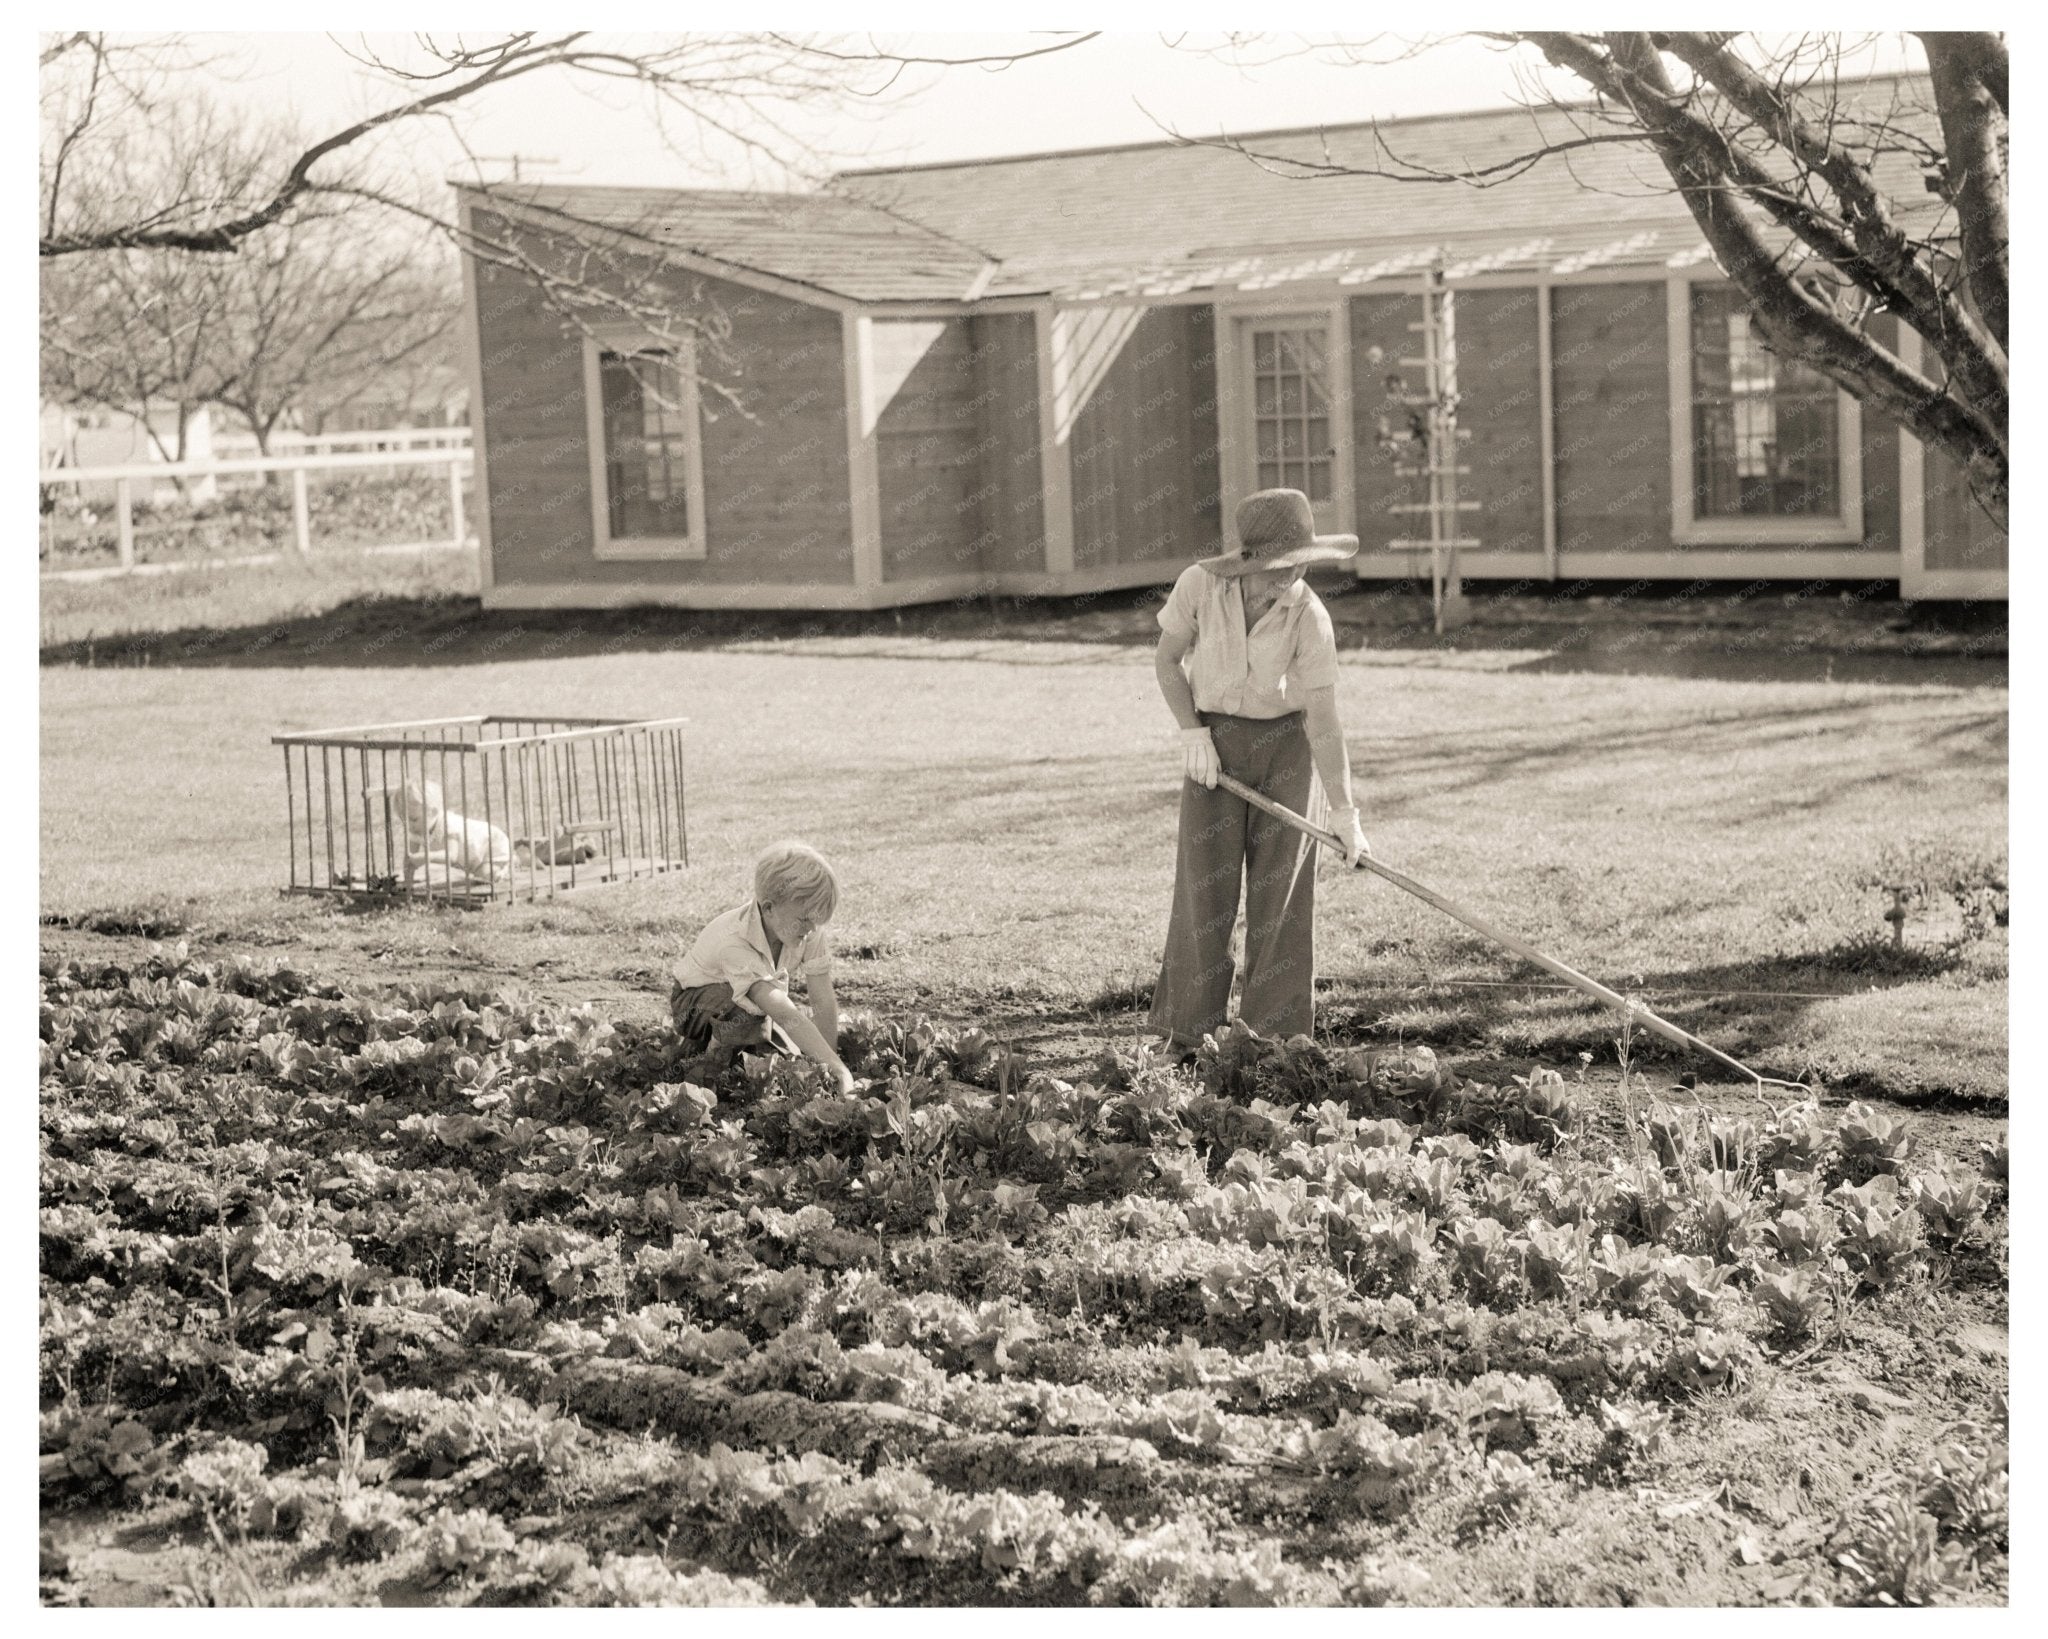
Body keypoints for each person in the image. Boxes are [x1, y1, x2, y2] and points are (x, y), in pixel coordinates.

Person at [1150, 488, 1372, 1052]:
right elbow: (1167, 659)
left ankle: (1272, 1041)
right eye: (1275, 570)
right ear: (1245, 562)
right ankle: (1185, 1032)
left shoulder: (1310, 616)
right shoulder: (1200, 586)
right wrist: (1191, 730)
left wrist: (1345, 812)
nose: (1286, 581)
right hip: (1214, 749)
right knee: (1205, 889)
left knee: (1282, 897)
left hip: (1286, 748)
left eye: (1296, 568)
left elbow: (1323, 721)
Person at [670, 840, 857, 1092]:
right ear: (768, 908)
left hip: (747, 1000)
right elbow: (779, 1008)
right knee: (749, 1014)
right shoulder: (735, 940)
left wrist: (828, 1065)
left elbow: (821, 998)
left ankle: (732, 1048)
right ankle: (707, 1071)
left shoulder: (807, 929)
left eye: (816, 920)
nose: (812, 928)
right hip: (695, 1001)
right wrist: (838, 1068)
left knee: (785, 1053)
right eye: (805, 919)